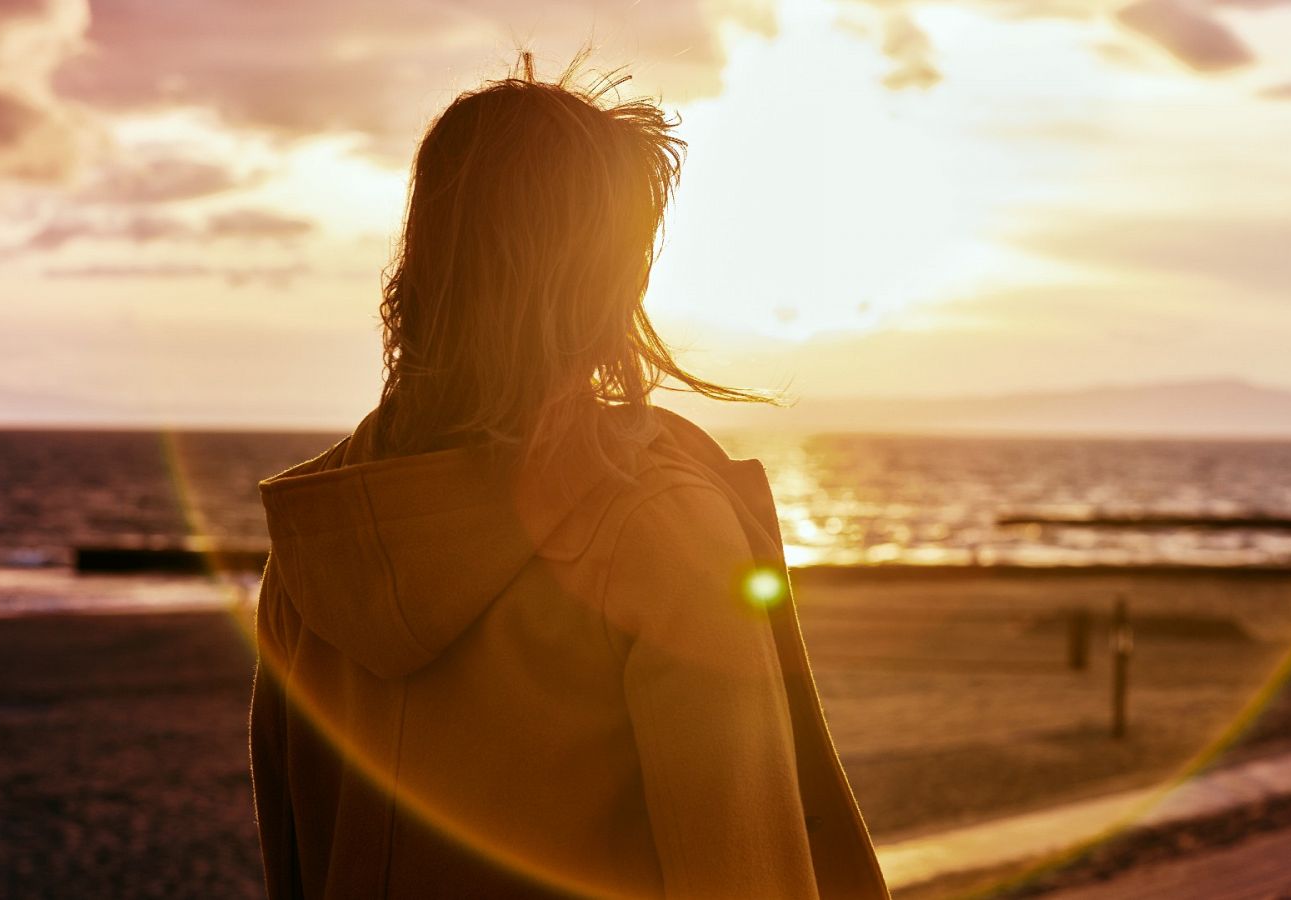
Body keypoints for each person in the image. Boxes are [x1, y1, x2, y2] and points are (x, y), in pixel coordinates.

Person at [248, 55, 889, 899]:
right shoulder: (657, 527)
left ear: (425, 264)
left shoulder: (324, 536)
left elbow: (297, 857)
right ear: (609, 282)